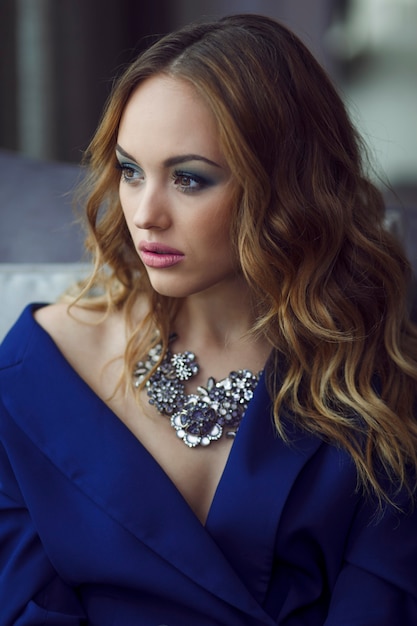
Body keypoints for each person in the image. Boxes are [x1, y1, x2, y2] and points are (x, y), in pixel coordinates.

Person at [0, 13, 416, 626]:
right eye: (130, 170)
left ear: (285, 187)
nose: (145, 214)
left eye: (190, 179)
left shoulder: (372, 381)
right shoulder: (35, 370)